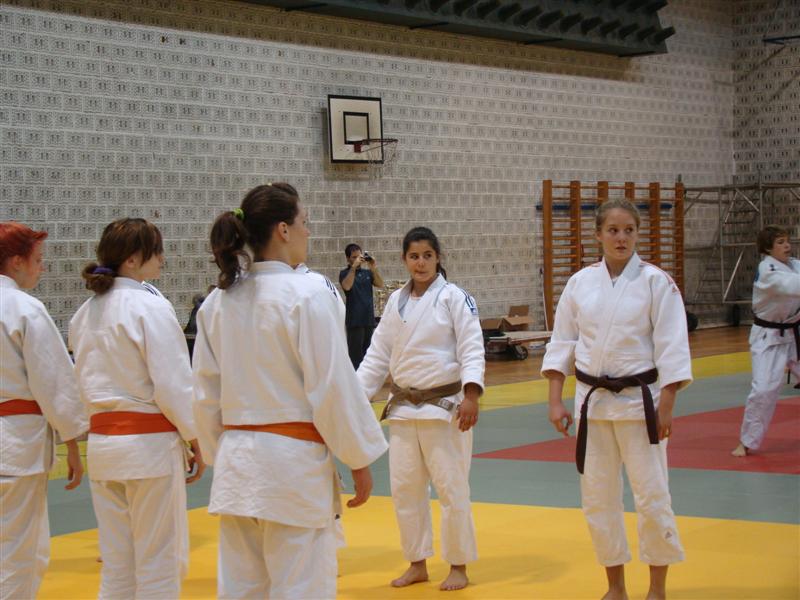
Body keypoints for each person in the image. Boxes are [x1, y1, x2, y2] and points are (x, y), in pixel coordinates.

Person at [192, 183, 388, 599]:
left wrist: (219, 454)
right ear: (283, 229)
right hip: (291, 470)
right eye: (304, 222)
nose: (308, 231)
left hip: (236, 470)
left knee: (241, 590)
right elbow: (331, 385)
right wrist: (357, 457)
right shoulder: (309, 293)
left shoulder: (217, 302)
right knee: (301, 588)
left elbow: (205, 393)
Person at [541, 199, 692, 600]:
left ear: (638, 234)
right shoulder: (580, 283)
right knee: (597, 498)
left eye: (629, 230)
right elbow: (562, 343)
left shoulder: (657, 283)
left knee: (653, 497)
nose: (621, 238)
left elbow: (672, 346)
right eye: (613, 230)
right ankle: (615, 587)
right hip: (592, 404)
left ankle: (657, 589)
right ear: (598, 235)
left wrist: (667, 405)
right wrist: (555, 400)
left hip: (642, 405)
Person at [69, 218, 204, 600]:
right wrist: (196, 437)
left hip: (104, 447)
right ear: (131, 259)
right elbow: (173, 384)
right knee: (160, 562)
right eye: (155, 251)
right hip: (148, 448)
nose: (162, 259)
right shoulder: (150, 306)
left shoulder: (84, 313)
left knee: (118, 565)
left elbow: (80, 382)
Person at [357, 226, 484, 591]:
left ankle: (458, 565)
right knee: (405, 490)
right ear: (404, 260)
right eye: (414, 256)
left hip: (444, 408)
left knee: (452, 490)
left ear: (438, 257)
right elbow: (377, 355)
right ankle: (417, 562)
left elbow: (471, 347)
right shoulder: (396, 301)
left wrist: (471, 394)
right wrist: (355, 397)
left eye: (427, 255)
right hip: (402, 409)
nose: (421, 263)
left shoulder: (454, 298)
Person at [0, 222, 87, 600]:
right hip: (13, 447)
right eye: (37, 260)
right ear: (16, 262)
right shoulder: (23, 308)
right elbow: (53, 381)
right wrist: (73, 438)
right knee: (19, 553)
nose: (42, 268)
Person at [732, 225, 800, 457]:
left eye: (787, 241)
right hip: (768, 337)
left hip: (795, 332)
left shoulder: (795, 265)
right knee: (763, 390)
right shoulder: (768, 270)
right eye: (780, 242)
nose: (787, 246)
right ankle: (747, 441)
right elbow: (792, 286)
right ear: (768, 248)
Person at [339, 243, 384, 368]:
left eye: (359, 256)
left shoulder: (367, 273)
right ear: (348, 258)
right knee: (355, 358)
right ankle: (354, 379)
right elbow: (347, 286)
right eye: (354, 257)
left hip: (368, 320)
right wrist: (353, 268)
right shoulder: (344, 273)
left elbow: (380, 284)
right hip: (355, 321)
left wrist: (373, 267)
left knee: (368, 357)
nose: (357, 259)